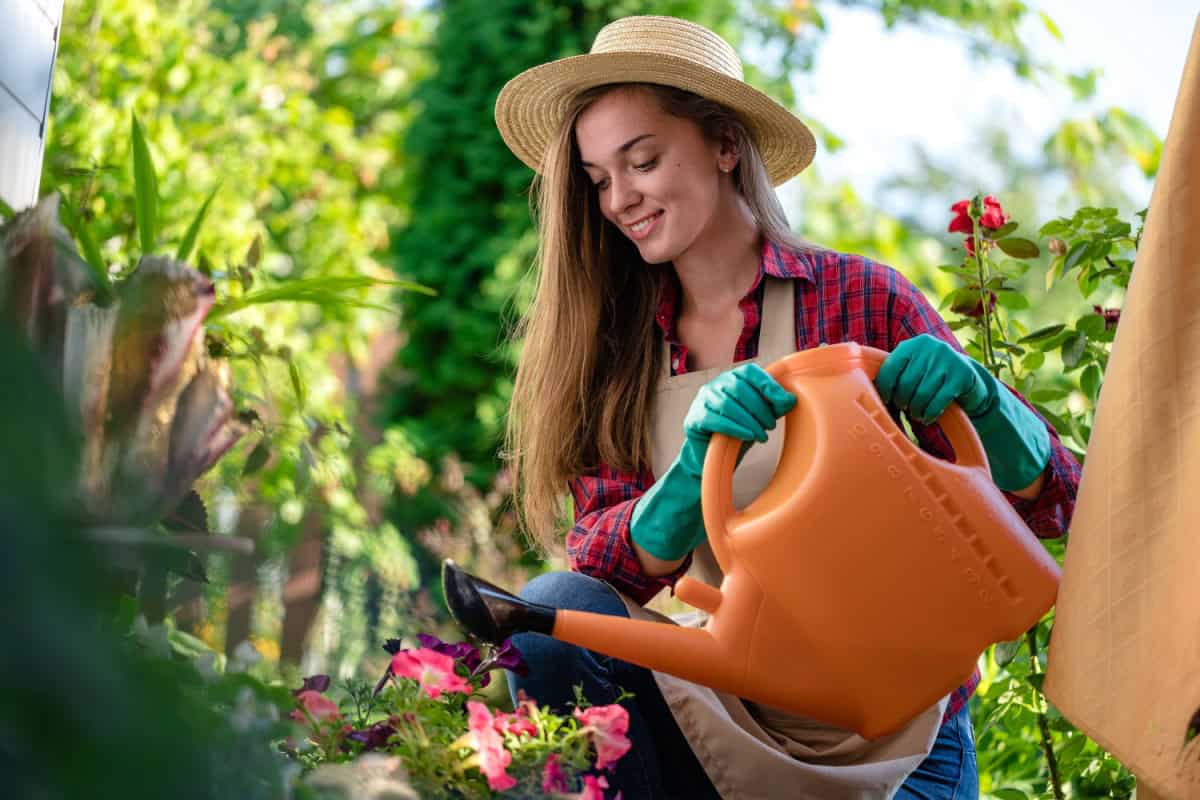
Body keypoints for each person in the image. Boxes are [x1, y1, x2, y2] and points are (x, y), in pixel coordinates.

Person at [494, 15, 1080, 800]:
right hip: (716, 712)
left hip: (897, 736)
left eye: (643, 161)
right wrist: (695, 467)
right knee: (550, 614)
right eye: (600, 179)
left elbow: (1055, 501)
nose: (619, 199)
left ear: (725, 145)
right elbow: (600, 575)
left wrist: (980, 395)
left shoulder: (859, 299)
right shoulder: (612, 351)